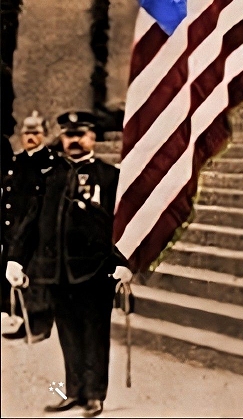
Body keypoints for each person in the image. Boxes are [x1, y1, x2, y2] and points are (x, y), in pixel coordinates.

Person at [6, 111, 133, 418]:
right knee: (68, 333)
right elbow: (32, 220)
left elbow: (125, 225)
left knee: (94, 334)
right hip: (58, 271)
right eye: (69, 135)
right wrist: (15, 259)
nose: (74, 140)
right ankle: (74, 392)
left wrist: (125, 262)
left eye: (81, 134)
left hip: (95, 270)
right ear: (62, 138)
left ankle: (94, 396)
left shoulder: (110, 176)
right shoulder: (50, 177)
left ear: (93, 137)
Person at [1, 111, 56, 342]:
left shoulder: (51, 164)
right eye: (27, 132)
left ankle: (39, 325)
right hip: (14, 228)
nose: (31, 136)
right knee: (11, 275)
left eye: (36, 132)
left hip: (38, 232)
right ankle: (17, 319)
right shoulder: (17, 162)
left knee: (35, 279)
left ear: (44, 134)